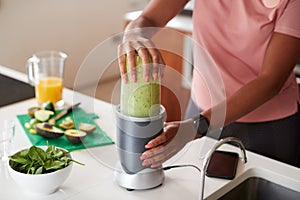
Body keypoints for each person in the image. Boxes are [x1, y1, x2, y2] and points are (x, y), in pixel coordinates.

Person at [118, 0, 300, 168]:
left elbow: (271, 80)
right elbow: (149, 18)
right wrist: (134, 35)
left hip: (266, 129)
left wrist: (196, 128)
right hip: (199, 113)